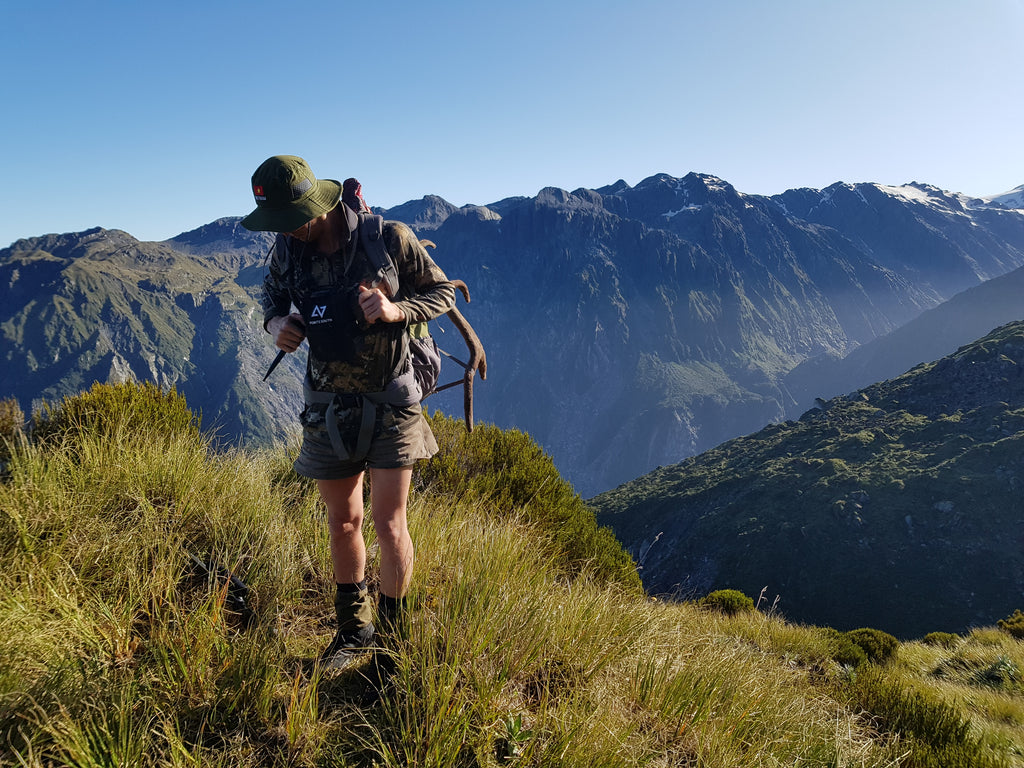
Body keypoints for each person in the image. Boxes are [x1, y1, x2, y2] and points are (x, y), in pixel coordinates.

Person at [241, 155, 456, 666]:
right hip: (327, 407)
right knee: (342, 523)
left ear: (314, 205)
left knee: (390, 525)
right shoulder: (286, 248)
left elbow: (442, 291)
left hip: (391, 404)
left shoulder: (388, 238)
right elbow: (270, 298)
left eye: (290, 221)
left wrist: (396, 310)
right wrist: (276, 326)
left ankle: (393, 644)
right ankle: (353, 632)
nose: (285, 233)